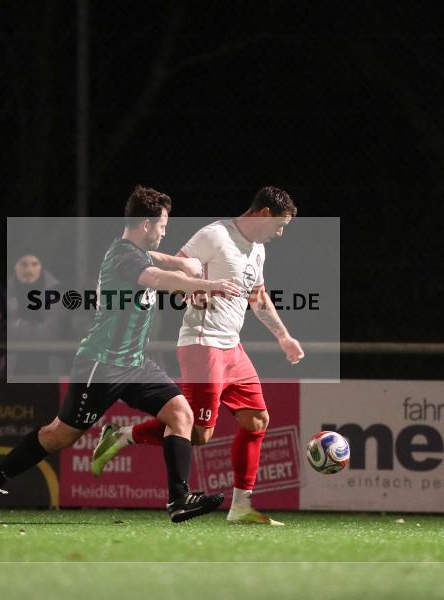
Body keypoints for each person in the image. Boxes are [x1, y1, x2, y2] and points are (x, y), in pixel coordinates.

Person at [0, 185, 241, 524]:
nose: (164, 231)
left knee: (180, 415)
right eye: (162, 225)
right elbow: (156, 277)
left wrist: (187, 267)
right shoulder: (124, 256)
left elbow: (161, 261)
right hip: (102, 364)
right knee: (60, 435)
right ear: (146, 224)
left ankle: (179, 498)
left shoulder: (135, 251)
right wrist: (206, 285)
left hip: (135, 363)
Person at [91, 186, 303, 526]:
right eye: (280, 225)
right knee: (200, 434)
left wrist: (284, 336)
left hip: (232, 347)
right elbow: (178, 267)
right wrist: (194, 293)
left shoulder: (258, 250)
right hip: (202, 344)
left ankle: (242, 506)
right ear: (264, 214)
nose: (280, 233)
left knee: (258, 420)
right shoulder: (215, 235)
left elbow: (257, 295)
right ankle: (123, 435)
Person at [0, 254, 65, 377]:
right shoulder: (1, 291)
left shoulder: (57, 291)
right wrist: (34, 330)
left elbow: (52, 332)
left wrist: (14, 325)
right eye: (24, 264)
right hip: (11, 371)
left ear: (42, 266)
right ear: (15, 266)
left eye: (35, 264)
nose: (29, 270)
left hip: (49, 372)